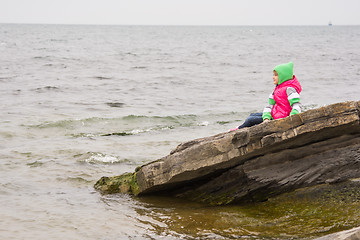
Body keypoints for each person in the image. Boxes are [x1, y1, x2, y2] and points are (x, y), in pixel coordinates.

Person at [230, 62, 302, 130]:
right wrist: (266, 117)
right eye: (273, 75)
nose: (273, 77)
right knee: (252, 115)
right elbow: (270, 106)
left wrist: (290, 119)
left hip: (281, 118)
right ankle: (243, 128)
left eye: (276, 75)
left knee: (250, 120)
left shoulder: (289, 89)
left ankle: (238, 130)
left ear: (283, 76)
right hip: (274, 114)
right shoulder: (277, 89)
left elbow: (297, 105)